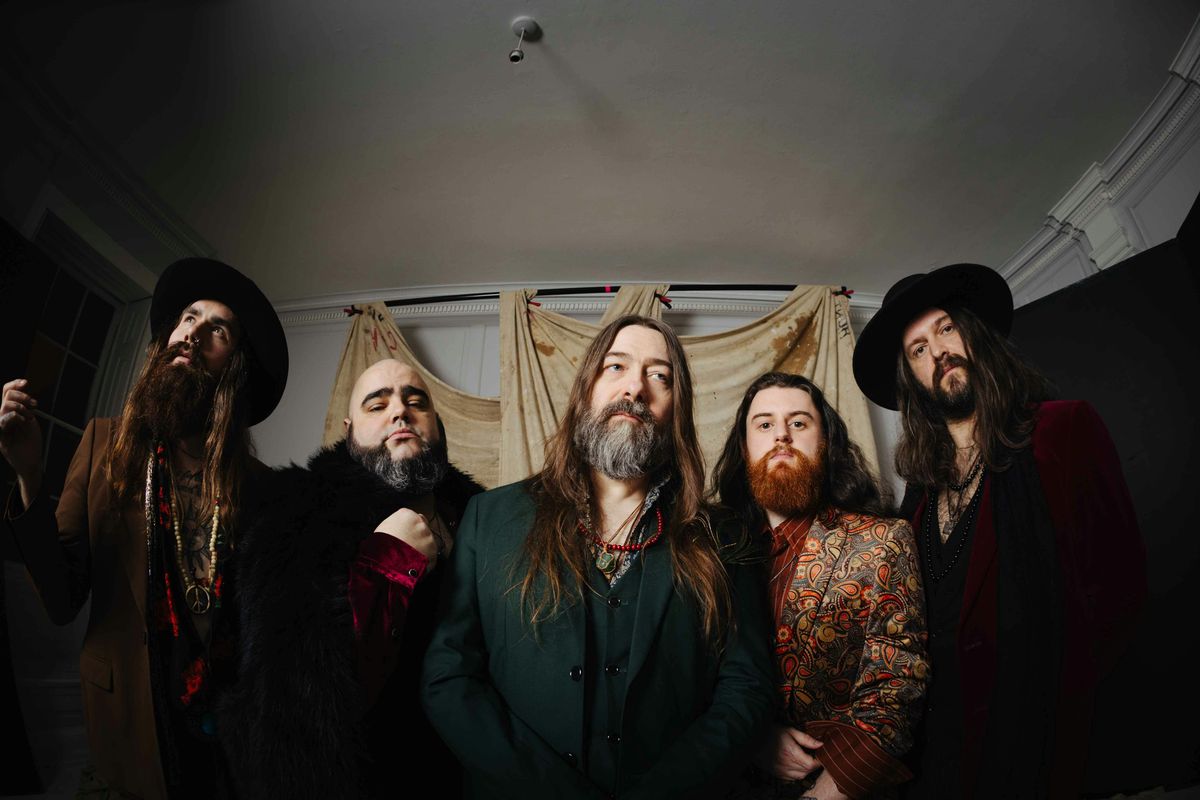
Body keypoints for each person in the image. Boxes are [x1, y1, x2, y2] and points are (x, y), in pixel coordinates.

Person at [422, 315, 776, 799]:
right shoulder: (490, 518)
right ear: (585, 390)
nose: (635, 387)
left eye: (659, 375)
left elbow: (747, 688)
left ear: (677, 408)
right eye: (616, 367)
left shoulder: (724, 537)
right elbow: (448, 676)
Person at [851, 263, 1146, 799]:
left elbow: (1119, 596)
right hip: (941, 756)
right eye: (918, 349)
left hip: (1040, 745)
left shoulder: (1064, 430)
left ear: (973, 332)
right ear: (911, 379)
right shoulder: (918, 498)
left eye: (946, 328)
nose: (938, 352)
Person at [1, 258, 288, 798]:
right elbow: (61, 599)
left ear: (236, 365)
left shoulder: (263, 488)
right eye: (188, 318)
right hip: (129, 724)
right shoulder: (103, 443)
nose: (192, 333)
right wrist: (29, 477)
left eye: (217, 330)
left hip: (225, 737)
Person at [218, 358, 483, 798]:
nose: (400, 412)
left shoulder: (484, 517)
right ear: (349, 431)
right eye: (377, 405)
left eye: (416, 402)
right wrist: (388, 564)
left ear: (437, 424)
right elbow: (291, 703)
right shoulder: (294, 516)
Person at [714, 372, 928, 800]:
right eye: (764, 424)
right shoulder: (709, 552)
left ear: (826, 442)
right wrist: (754, 739)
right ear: (744, 447)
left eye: (798, 422)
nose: (782, 436)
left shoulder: (883, 542)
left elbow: (898, 685)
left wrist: (825, 793)